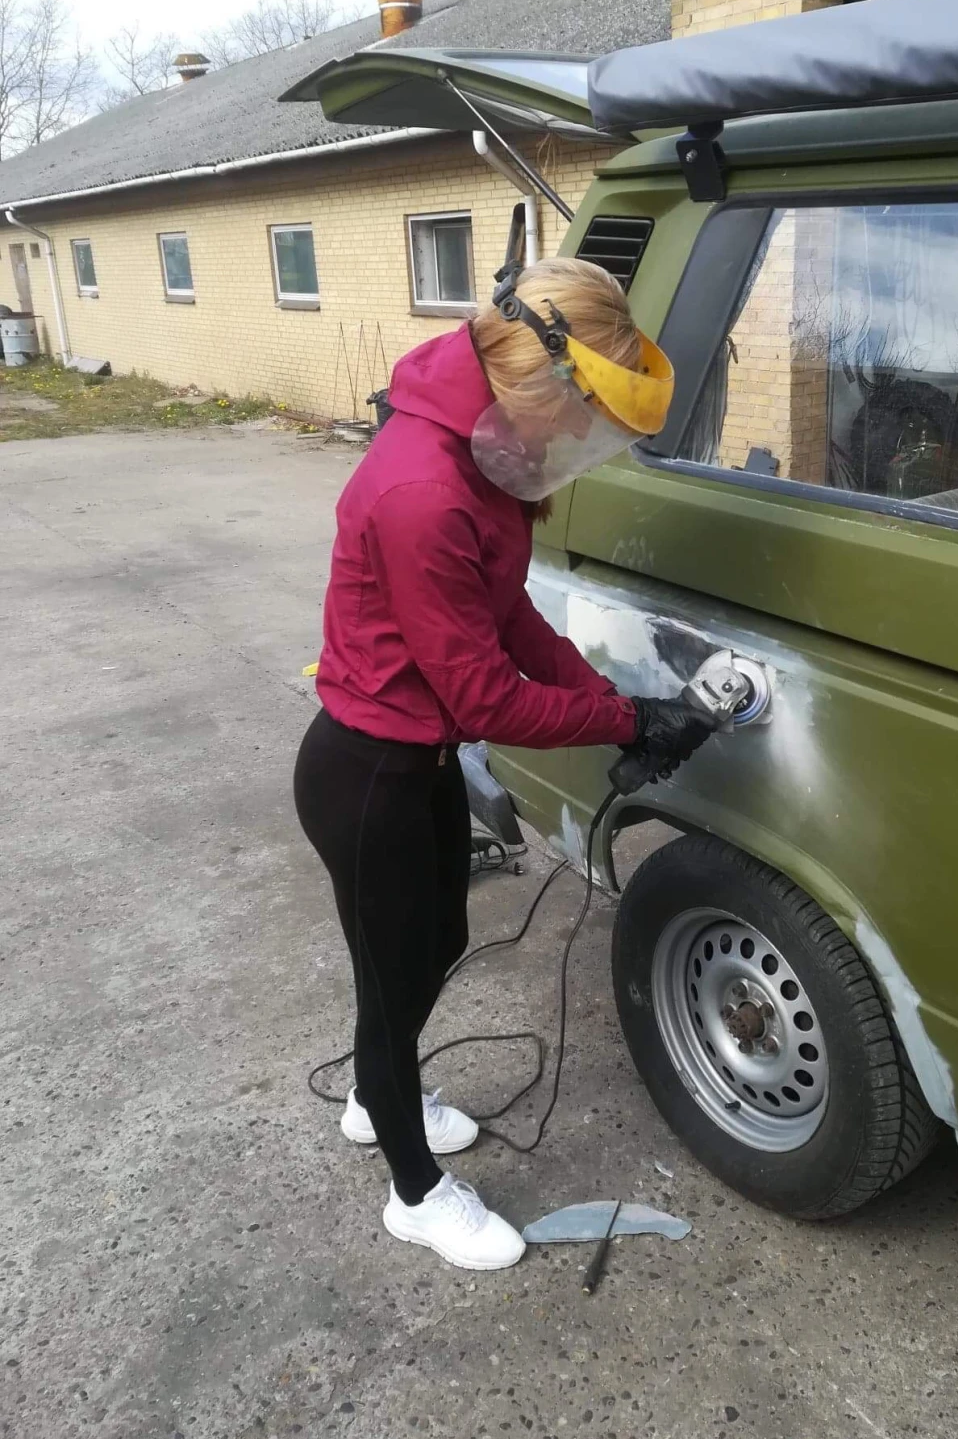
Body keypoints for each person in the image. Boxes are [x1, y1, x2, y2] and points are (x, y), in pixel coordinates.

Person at [293, 256, 718, 1272]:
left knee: (434, 940)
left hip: (418, 761)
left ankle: (371, 1093)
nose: (579, 443)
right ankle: (414, 1190)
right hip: (368, 775)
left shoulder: (480, 458)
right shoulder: (421, 491)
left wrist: (617, 708)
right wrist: (621, 716)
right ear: (538, 388)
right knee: (389, 987)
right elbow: (481, 696)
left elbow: (510, 614)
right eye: (579, 419)